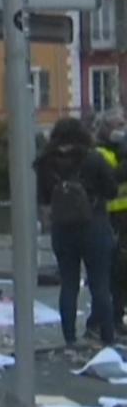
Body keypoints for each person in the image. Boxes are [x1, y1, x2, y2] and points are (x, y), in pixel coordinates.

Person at [35, 117, 119, 347]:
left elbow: (42, 197)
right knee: (100, 284)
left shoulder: (45, 162)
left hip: (62, 229)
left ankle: (69, 338)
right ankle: (107, 337)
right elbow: (111, 190)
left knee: (69, 284)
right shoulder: (93, 158)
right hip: (95, 224)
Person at [86, 114, 127, 336]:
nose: (122, 129)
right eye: (117, 125)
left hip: (123, 216)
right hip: (110, 216)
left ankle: (115, 317)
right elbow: (111, 180)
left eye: (123, 124)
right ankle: (100, 320)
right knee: (110, 272)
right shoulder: (101, 153)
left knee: (121, 272)